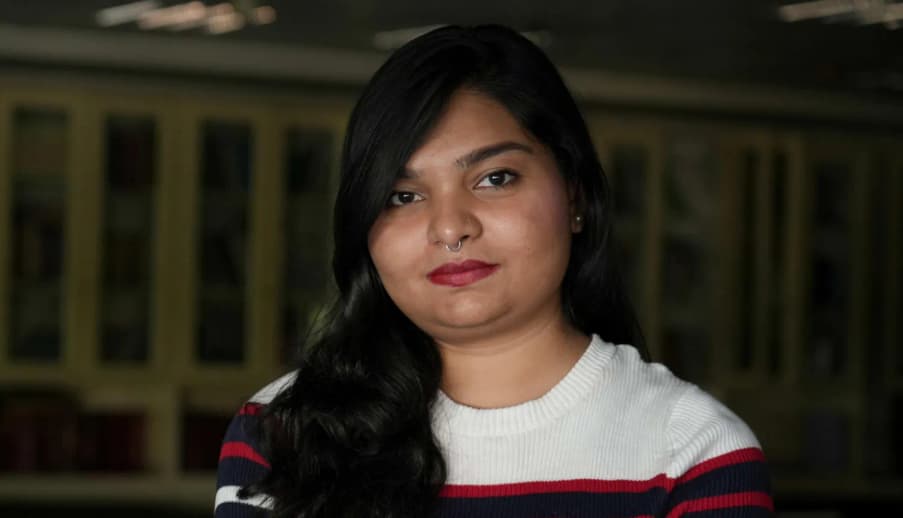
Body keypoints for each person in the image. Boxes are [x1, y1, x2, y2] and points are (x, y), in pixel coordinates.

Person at [214, 24, 773, 518]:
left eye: (495, 178)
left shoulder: (690, 450)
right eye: (403, 196)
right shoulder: (282, 431)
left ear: (574, 194)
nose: (449, 228)